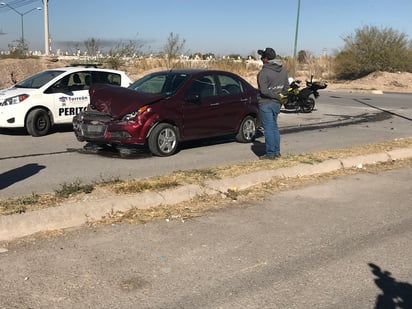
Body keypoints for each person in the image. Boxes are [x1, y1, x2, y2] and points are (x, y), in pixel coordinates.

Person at [257, 47, 289, 160]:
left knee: (269, 129)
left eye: (262, 57)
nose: (261, 59)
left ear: (266, 59)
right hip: (277, 103)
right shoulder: (283, 70)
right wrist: (280, 97)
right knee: (274, 127)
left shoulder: (263, 72)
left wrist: (275, 96)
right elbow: (286, 88)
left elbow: (264, 91)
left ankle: (270, 154)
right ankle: (277, 152)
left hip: (266, 103)